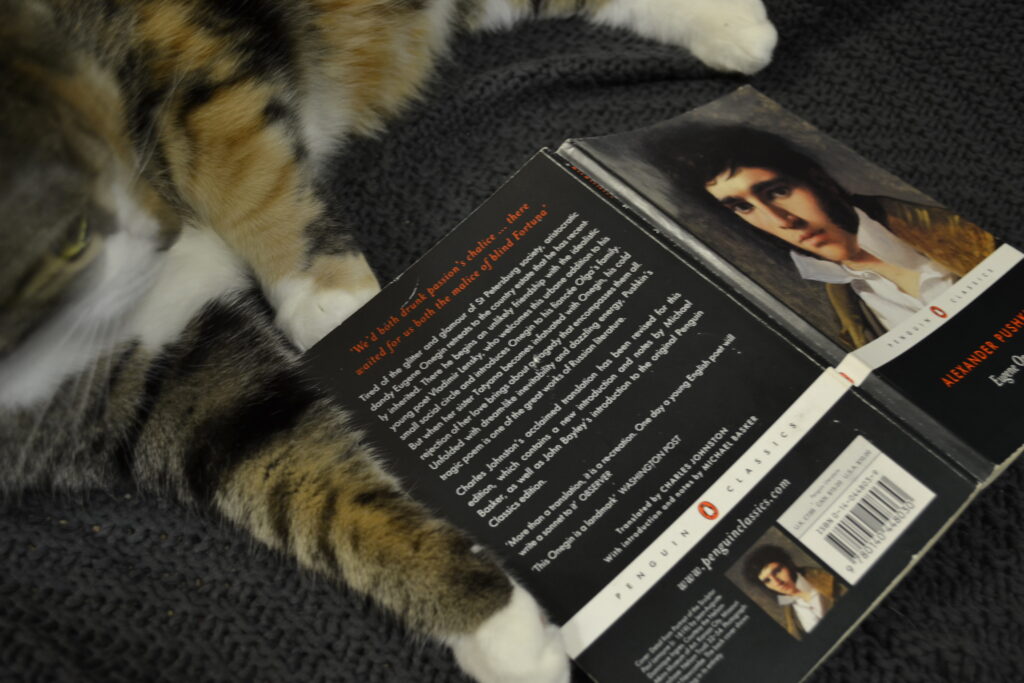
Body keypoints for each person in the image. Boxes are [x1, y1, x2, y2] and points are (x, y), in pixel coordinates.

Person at [662, 125, 997, 349]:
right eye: (742, 208)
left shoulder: (956, 225)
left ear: (818, 179)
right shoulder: (840, 304)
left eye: (778, 191)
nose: (781, 220)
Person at [742, 545, 845, 639]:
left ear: (789, 563)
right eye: (767, 580)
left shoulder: (831, 578)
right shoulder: (788, 616)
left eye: (777, 571)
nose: (777, 582)